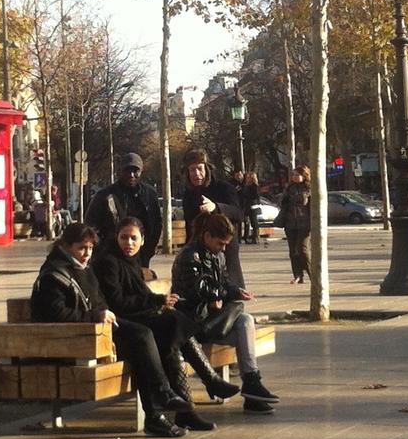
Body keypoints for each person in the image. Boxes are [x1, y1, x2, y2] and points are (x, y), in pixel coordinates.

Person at [32, 223, 198, 438]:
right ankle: (161, 399)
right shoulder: (54, 275)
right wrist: (96, 316)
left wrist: (102, 313)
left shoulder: (84, 268)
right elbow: (56, 314)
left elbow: (100, 300)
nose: (87, 254)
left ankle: (158, 411)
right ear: (66, 245)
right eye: (82, 248)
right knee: (142, 338)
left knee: (147, 338)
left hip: (97, 333)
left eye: (90, 248)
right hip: (73, 340)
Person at [94, 219, 237, 410]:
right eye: (124, 237)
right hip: (124, 325)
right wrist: (158, 301)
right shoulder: (109, 262)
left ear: (142, 240)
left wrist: (161, 301)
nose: (129, 243)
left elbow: (140, 294)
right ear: (116, 237)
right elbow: (118, 303)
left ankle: (191, 404)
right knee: (175, 327)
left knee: (174, 335)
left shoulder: (130, 261)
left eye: (133, 238)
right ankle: (205, 385)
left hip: (138, 319)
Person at [172, 210, 279, 413]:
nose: (222, 248)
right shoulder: (189, 256)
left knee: (245, 320)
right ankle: (252, 388)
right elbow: (199, 289)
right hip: (193, 322)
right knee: (242, 324)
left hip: (212, 319)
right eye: (220, 243)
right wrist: (223, 296)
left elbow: (223, 283)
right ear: (207, 236)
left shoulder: (218, 256)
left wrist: (233, 292)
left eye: (225, 245)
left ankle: (252, 382)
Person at [179, 150, 248, 287]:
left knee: (229, 295)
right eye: (192, 170)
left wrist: (215, 207)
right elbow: (189, 224)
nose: (196, 174)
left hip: (224, 250)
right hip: (200, 252)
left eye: (200, 169)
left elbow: (239, 214)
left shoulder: (224, 188)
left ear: (207, 169)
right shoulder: (189, 194)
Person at [87, 153, 163, 268]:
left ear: (141, 171)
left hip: (141, 256)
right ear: (120, 171)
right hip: (111, 257)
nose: (131, 175)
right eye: (127, 170)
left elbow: (156, 224)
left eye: (135, 171)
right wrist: (102, 251)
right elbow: (91, 226)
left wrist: (148, 250)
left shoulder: (150, 194)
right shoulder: (104, 195)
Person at [278, 166, 314, 284]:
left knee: (303, 249)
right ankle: (298, 275)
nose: (294, 177)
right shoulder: (289, 188)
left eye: (296, 175)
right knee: (293, 251)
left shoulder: (309, 188)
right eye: (293, 175)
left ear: (304, 175)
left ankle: (312, 274)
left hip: (305, 223)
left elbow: (313, 206)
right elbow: (283, 203)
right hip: (290, 223)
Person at [238, 171, 262, 244]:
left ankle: (255, 237)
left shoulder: (254, 186)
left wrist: (247, 195)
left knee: (254, 222)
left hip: (252, 206)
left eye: (249, 177)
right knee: (247, 221)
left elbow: (256, 196)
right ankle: (246, 237)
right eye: (247, 177)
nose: (247, 179)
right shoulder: (246, 186)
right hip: (246, 206)